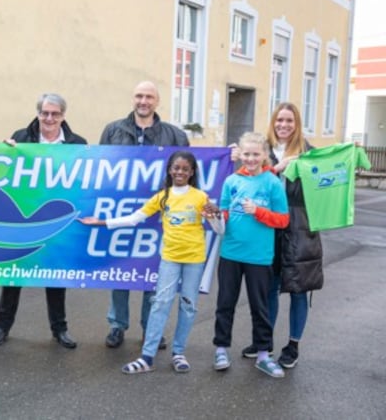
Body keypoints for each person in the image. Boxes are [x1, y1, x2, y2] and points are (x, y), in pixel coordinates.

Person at [80, 151, 223, 373]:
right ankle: (147, 357)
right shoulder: (162, 196)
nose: (180, 172)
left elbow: (218, 230)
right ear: (169, 170)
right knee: (160, 304)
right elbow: (134, 218)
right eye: (176, 168)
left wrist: (217, 216)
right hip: (170, 259)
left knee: (188, 307)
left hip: (194, 259)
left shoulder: (200, 197)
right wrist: (101, 222)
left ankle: (178, 353)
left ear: (192, 172)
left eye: (185, 169)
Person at [0, 93, 87, 349]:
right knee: (13, 275)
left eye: (55, 114)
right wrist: (3, 150)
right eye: (45, 113)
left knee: (54, 276)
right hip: (23, 216)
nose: (49, 118)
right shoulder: (20, 138)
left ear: (63, 116)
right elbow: (5, 170)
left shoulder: (78, 143)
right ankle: (2, 326)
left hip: (57, 217)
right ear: (38, 113)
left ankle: (60, 329)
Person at [98, 81, 189, 350]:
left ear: (157, 101)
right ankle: (117, 325)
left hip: (161, 214)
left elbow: (191, 168)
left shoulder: (174, 135)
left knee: (152, 272)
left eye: (149, 96)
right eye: (139, 95)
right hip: (122, 210)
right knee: (120, 270)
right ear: (133, 98)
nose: (143, 101)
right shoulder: (113, 130)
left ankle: (152, 326)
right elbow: (99, 167)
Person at [236, 103, 323, 369]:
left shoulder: (310, 154)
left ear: (297, 124)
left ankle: (293, 346)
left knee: (298, 290)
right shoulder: (263, 152)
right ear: (273, 122)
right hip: (267, 226)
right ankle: (264, 342)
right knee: (268, 287)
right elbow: (247, 177)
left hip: (299, 227)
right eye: (279, 120)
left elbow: (325, 185)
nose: (283, 125)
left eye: (289, 121)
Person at [212, 132, 289, 378]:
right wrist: (215, 216)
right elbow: (224, 212)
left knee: (260, 307)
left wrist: (258, 211)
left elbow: (283, 220)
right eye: (246, 154)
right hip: (231, 254)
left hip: (259, 257)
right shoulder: (231, 181)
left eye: (256, 154)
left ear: (264, 155)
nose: (251, 158)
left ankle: (264, 355)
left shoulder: (272, 182)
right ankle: (221, 349)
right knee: (225, 304)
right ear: (240, 155)